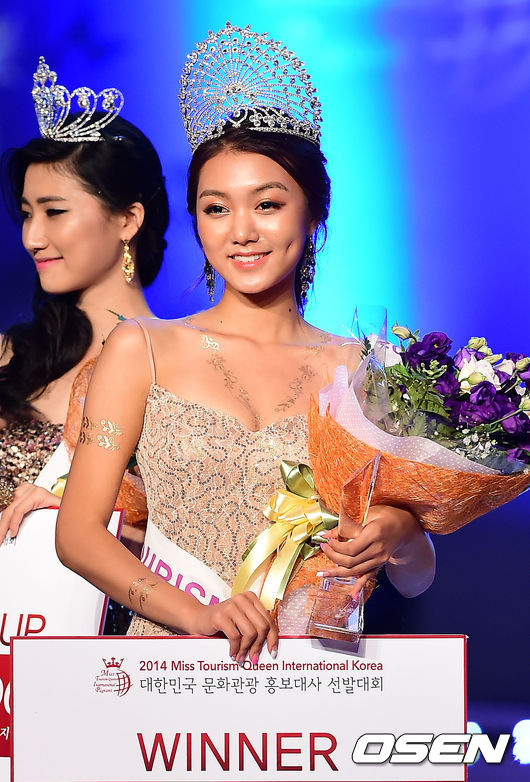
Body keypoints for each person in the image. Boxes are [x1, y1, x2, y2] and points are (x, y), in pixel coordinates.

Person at [56, 23, 435, 663]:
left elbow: (417, 577)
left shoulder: (360, 369)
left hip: (313, 672)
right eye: (216, 208)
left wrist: (398, 533)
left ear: (313, 213)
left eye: (267, 205)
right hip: (173, 667)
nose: (241, 231)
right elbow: (78, 535)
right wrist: (196, 614)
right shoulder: (141, 348)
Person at [0, 58, 170, 560]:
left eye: (54, 212)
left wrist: (90, 528)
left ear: (128, 219)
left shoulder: (179, 365)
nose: (32, 237)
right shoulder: (10, 355)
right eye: (27, 214)